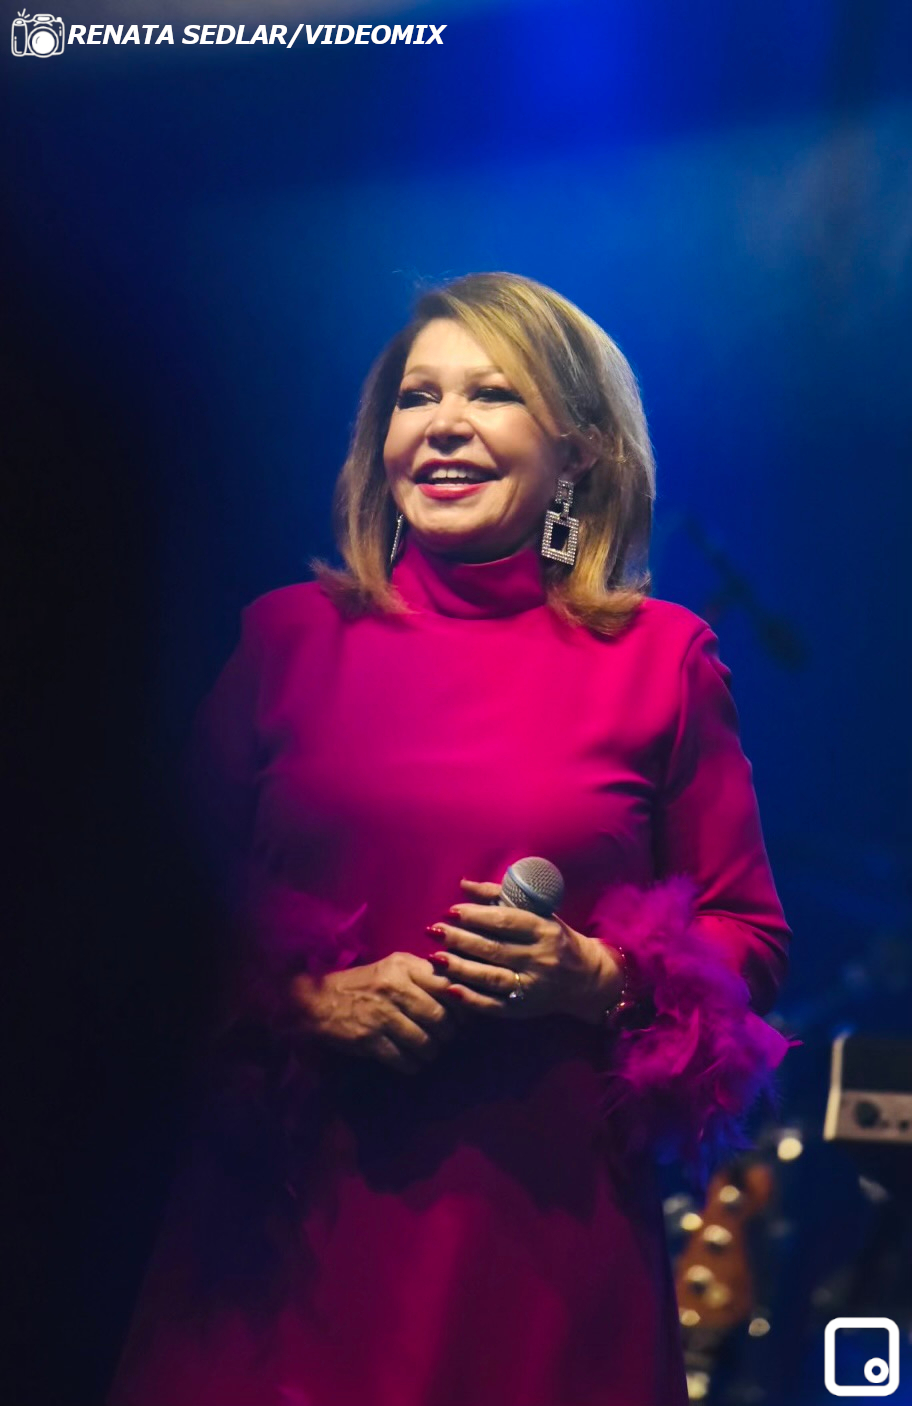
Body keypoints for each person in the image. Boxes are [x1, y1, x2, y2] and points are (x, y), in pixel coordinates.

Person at [107, 272, 795, 1406]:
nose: (443, 424)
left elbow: (750, 937)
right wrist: (306, 999)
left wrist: (596, 976)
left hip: (542, 1248)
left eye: (492, 393)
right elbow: (140, 908)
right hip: (283, 1245)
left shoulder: (661, 661)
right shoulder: (286, 641)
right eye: (417, 396)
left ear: (578, 450)